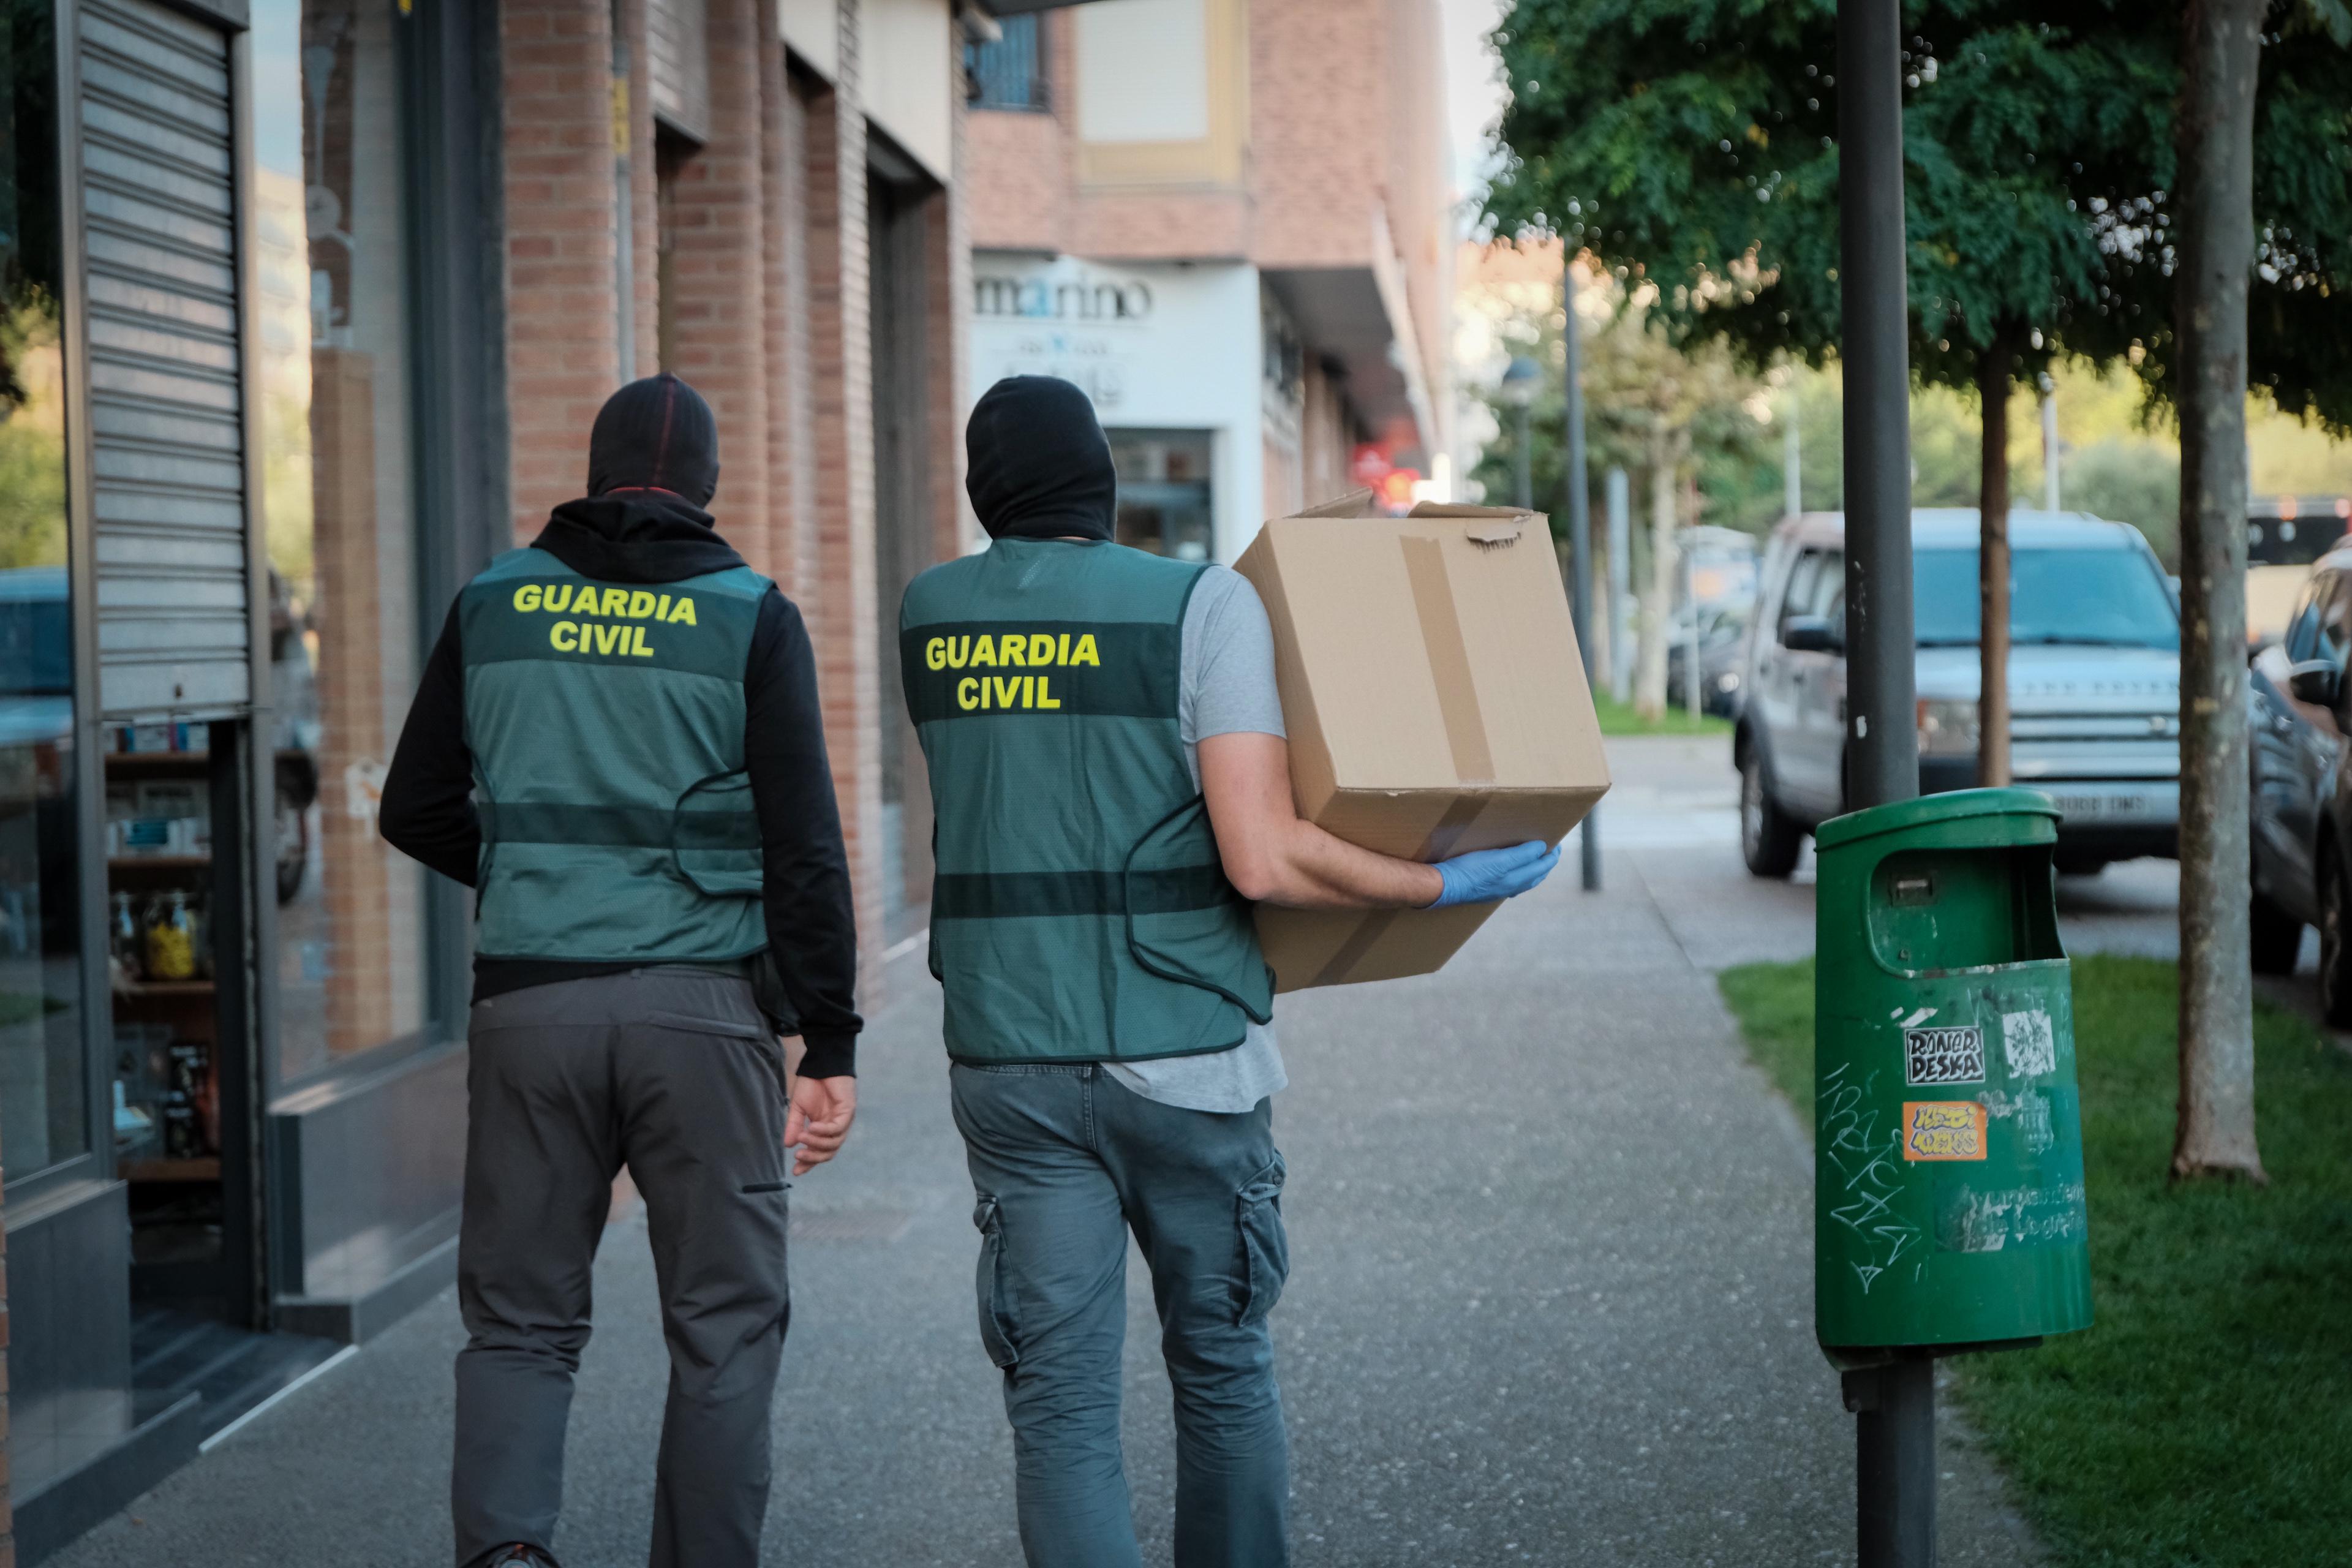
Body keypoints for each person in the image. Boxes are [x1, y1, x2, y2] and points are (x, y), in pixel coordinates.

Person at [899, 375, 1558, 1568]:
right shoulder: (1201, 604)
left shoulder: (930, 615)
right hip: (1186, 1057)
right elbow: (1259, 852)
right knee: (1219, 1362)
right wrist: (1439, 885)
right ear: (1102, 482)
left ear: (983, 490)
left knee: (1057, 1397)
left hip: (1007, 1058)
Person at [379, 373, 862, 1568]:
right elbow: (804, 843)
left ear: (596, 472)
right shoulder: (751, 615)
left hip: (532, 1005)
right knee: (725, 1327)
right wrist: (830, 1037)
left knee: (520, 1321)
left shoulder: (493, 600)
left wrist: (537, 871)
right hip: (703, 1016)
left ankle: (504, 1556)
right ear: (706, 482)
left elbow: (414, 806)